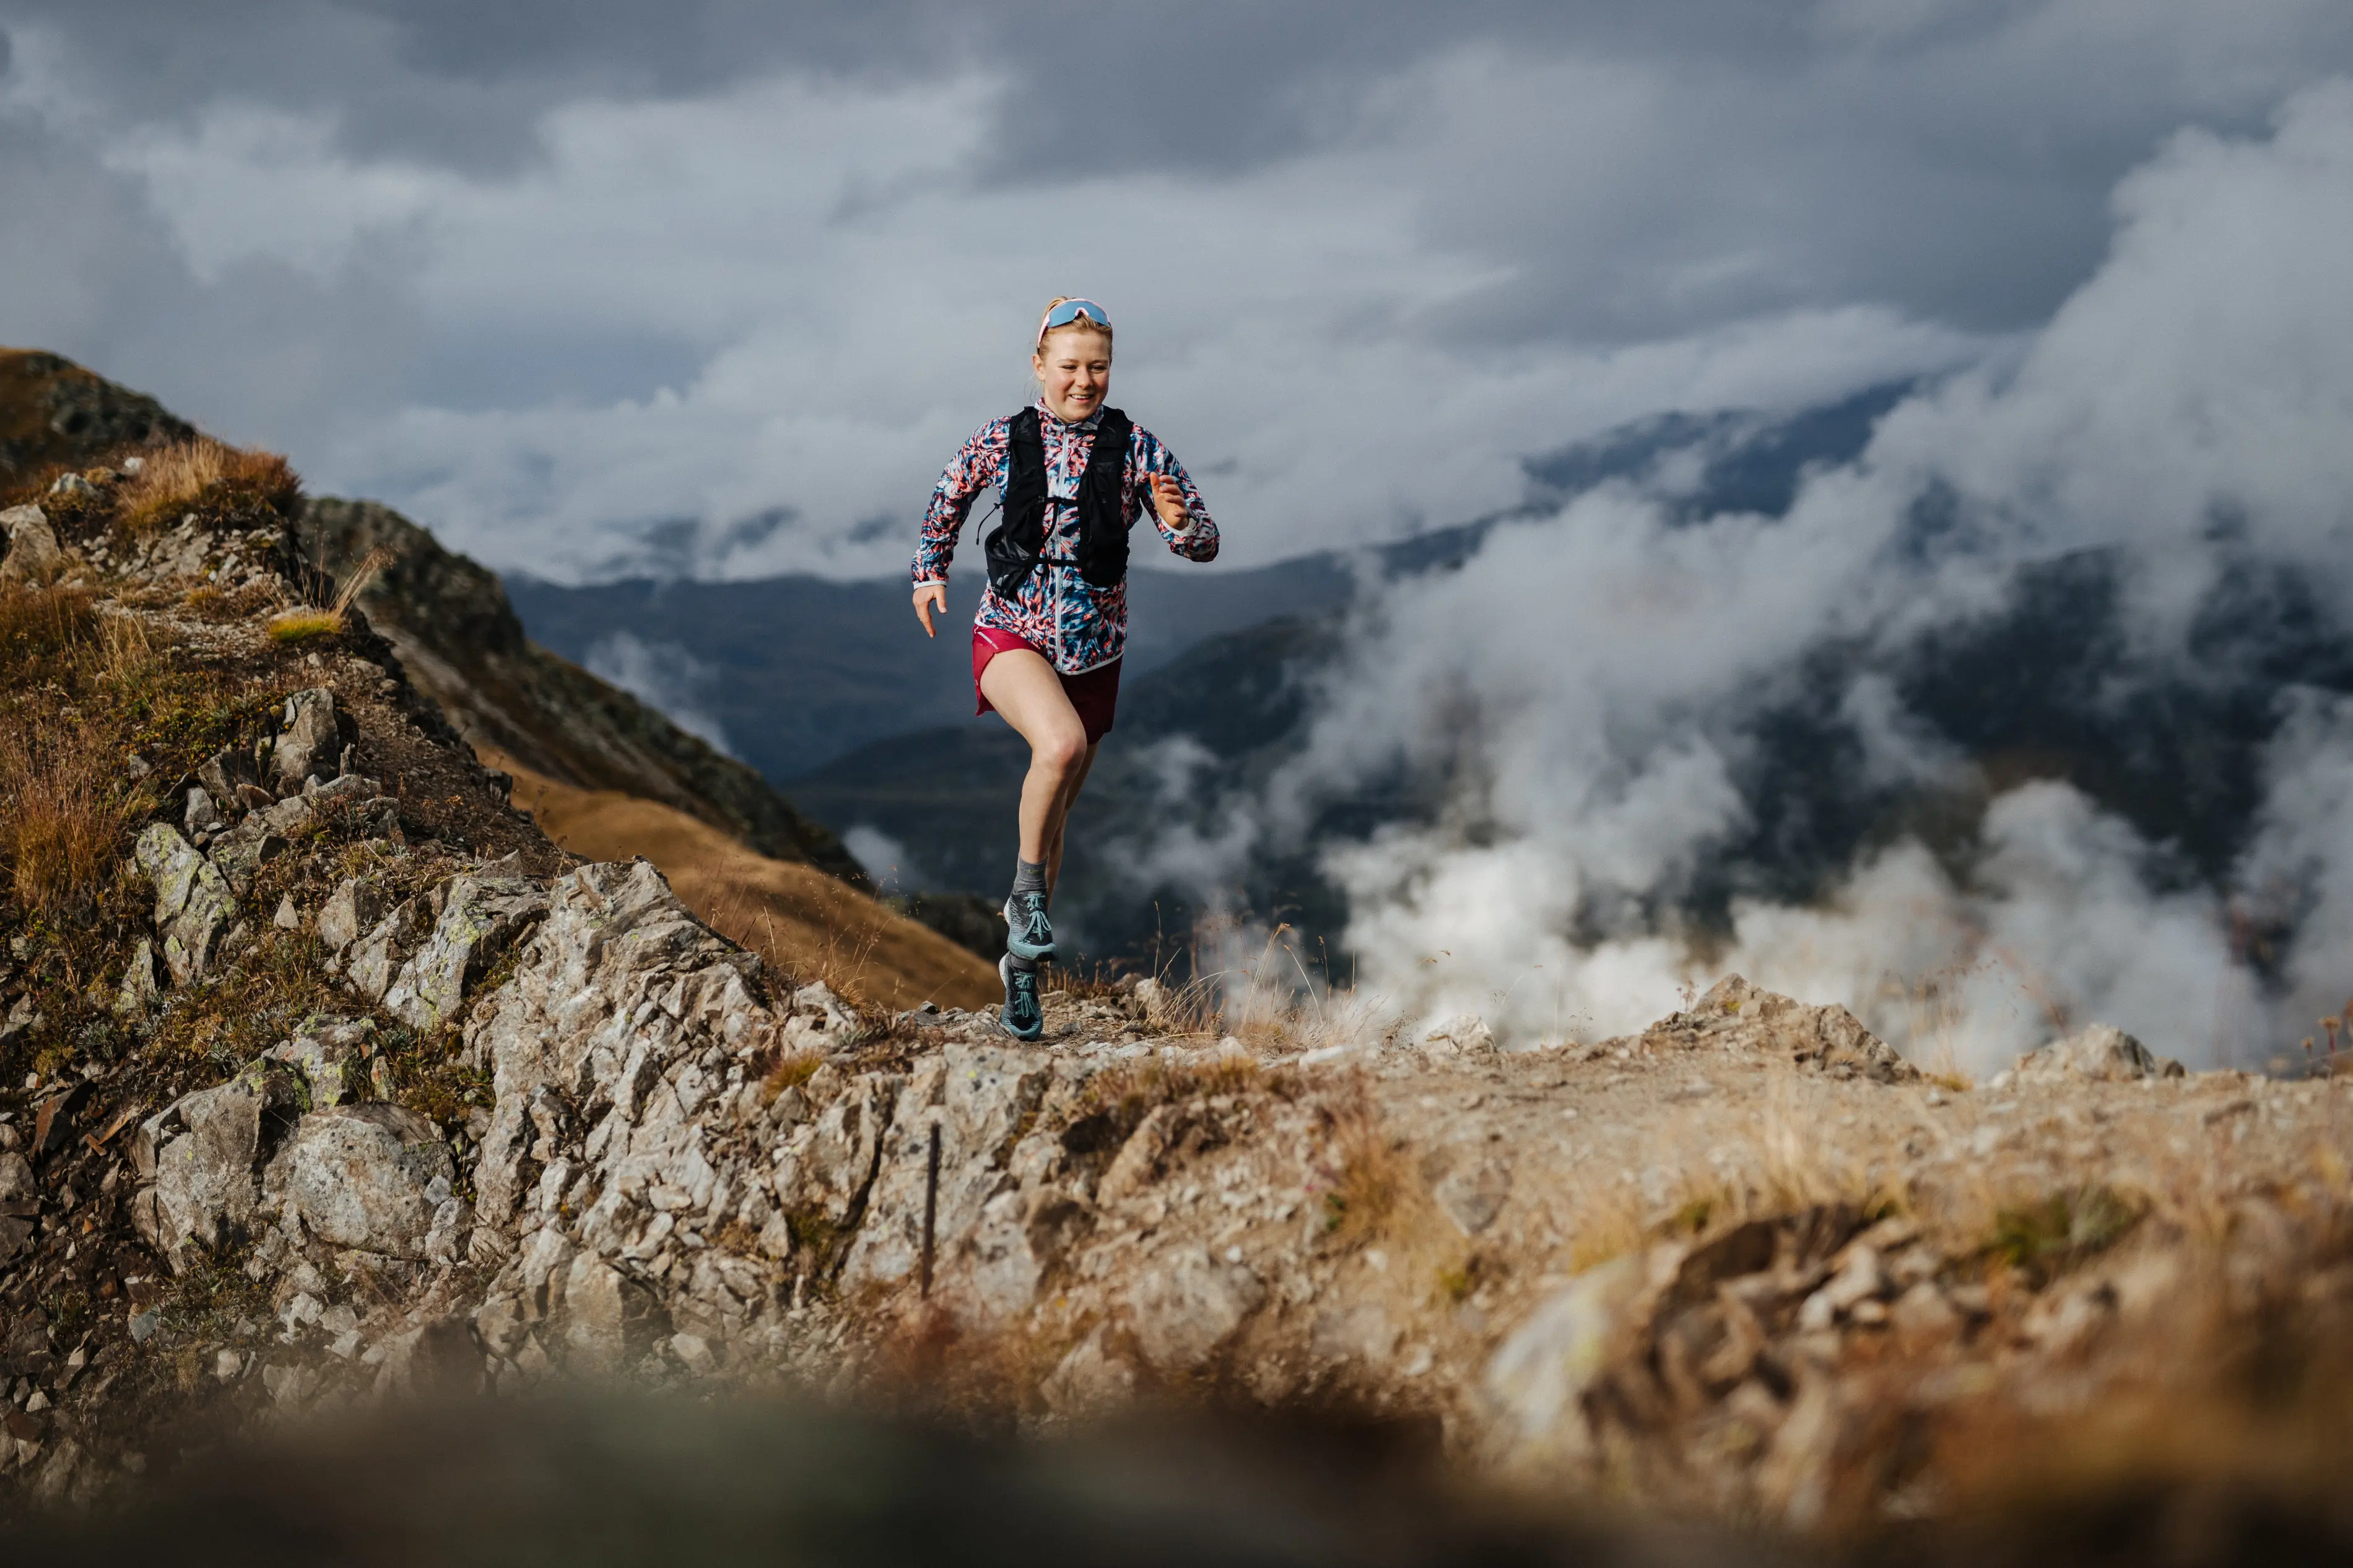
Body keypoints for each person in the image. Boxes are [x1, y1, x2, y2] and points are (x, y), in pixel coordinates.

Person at [910, 297, 1219, 1040]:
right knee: (1059, 747)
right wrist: (929, 572)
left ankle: (1020, 972)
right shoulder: (1005, 437)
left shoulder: (1137, 447)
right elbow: (948, 496)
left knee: (1055, 823)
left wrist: (1178, 527)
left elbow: (1205, 538)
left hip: (1095, 653)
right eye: (1071, 366)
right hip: (1009, 631)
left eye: (1099, 367)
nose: (1085, 381)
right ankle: (1023, 899)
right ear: (1039, 365)